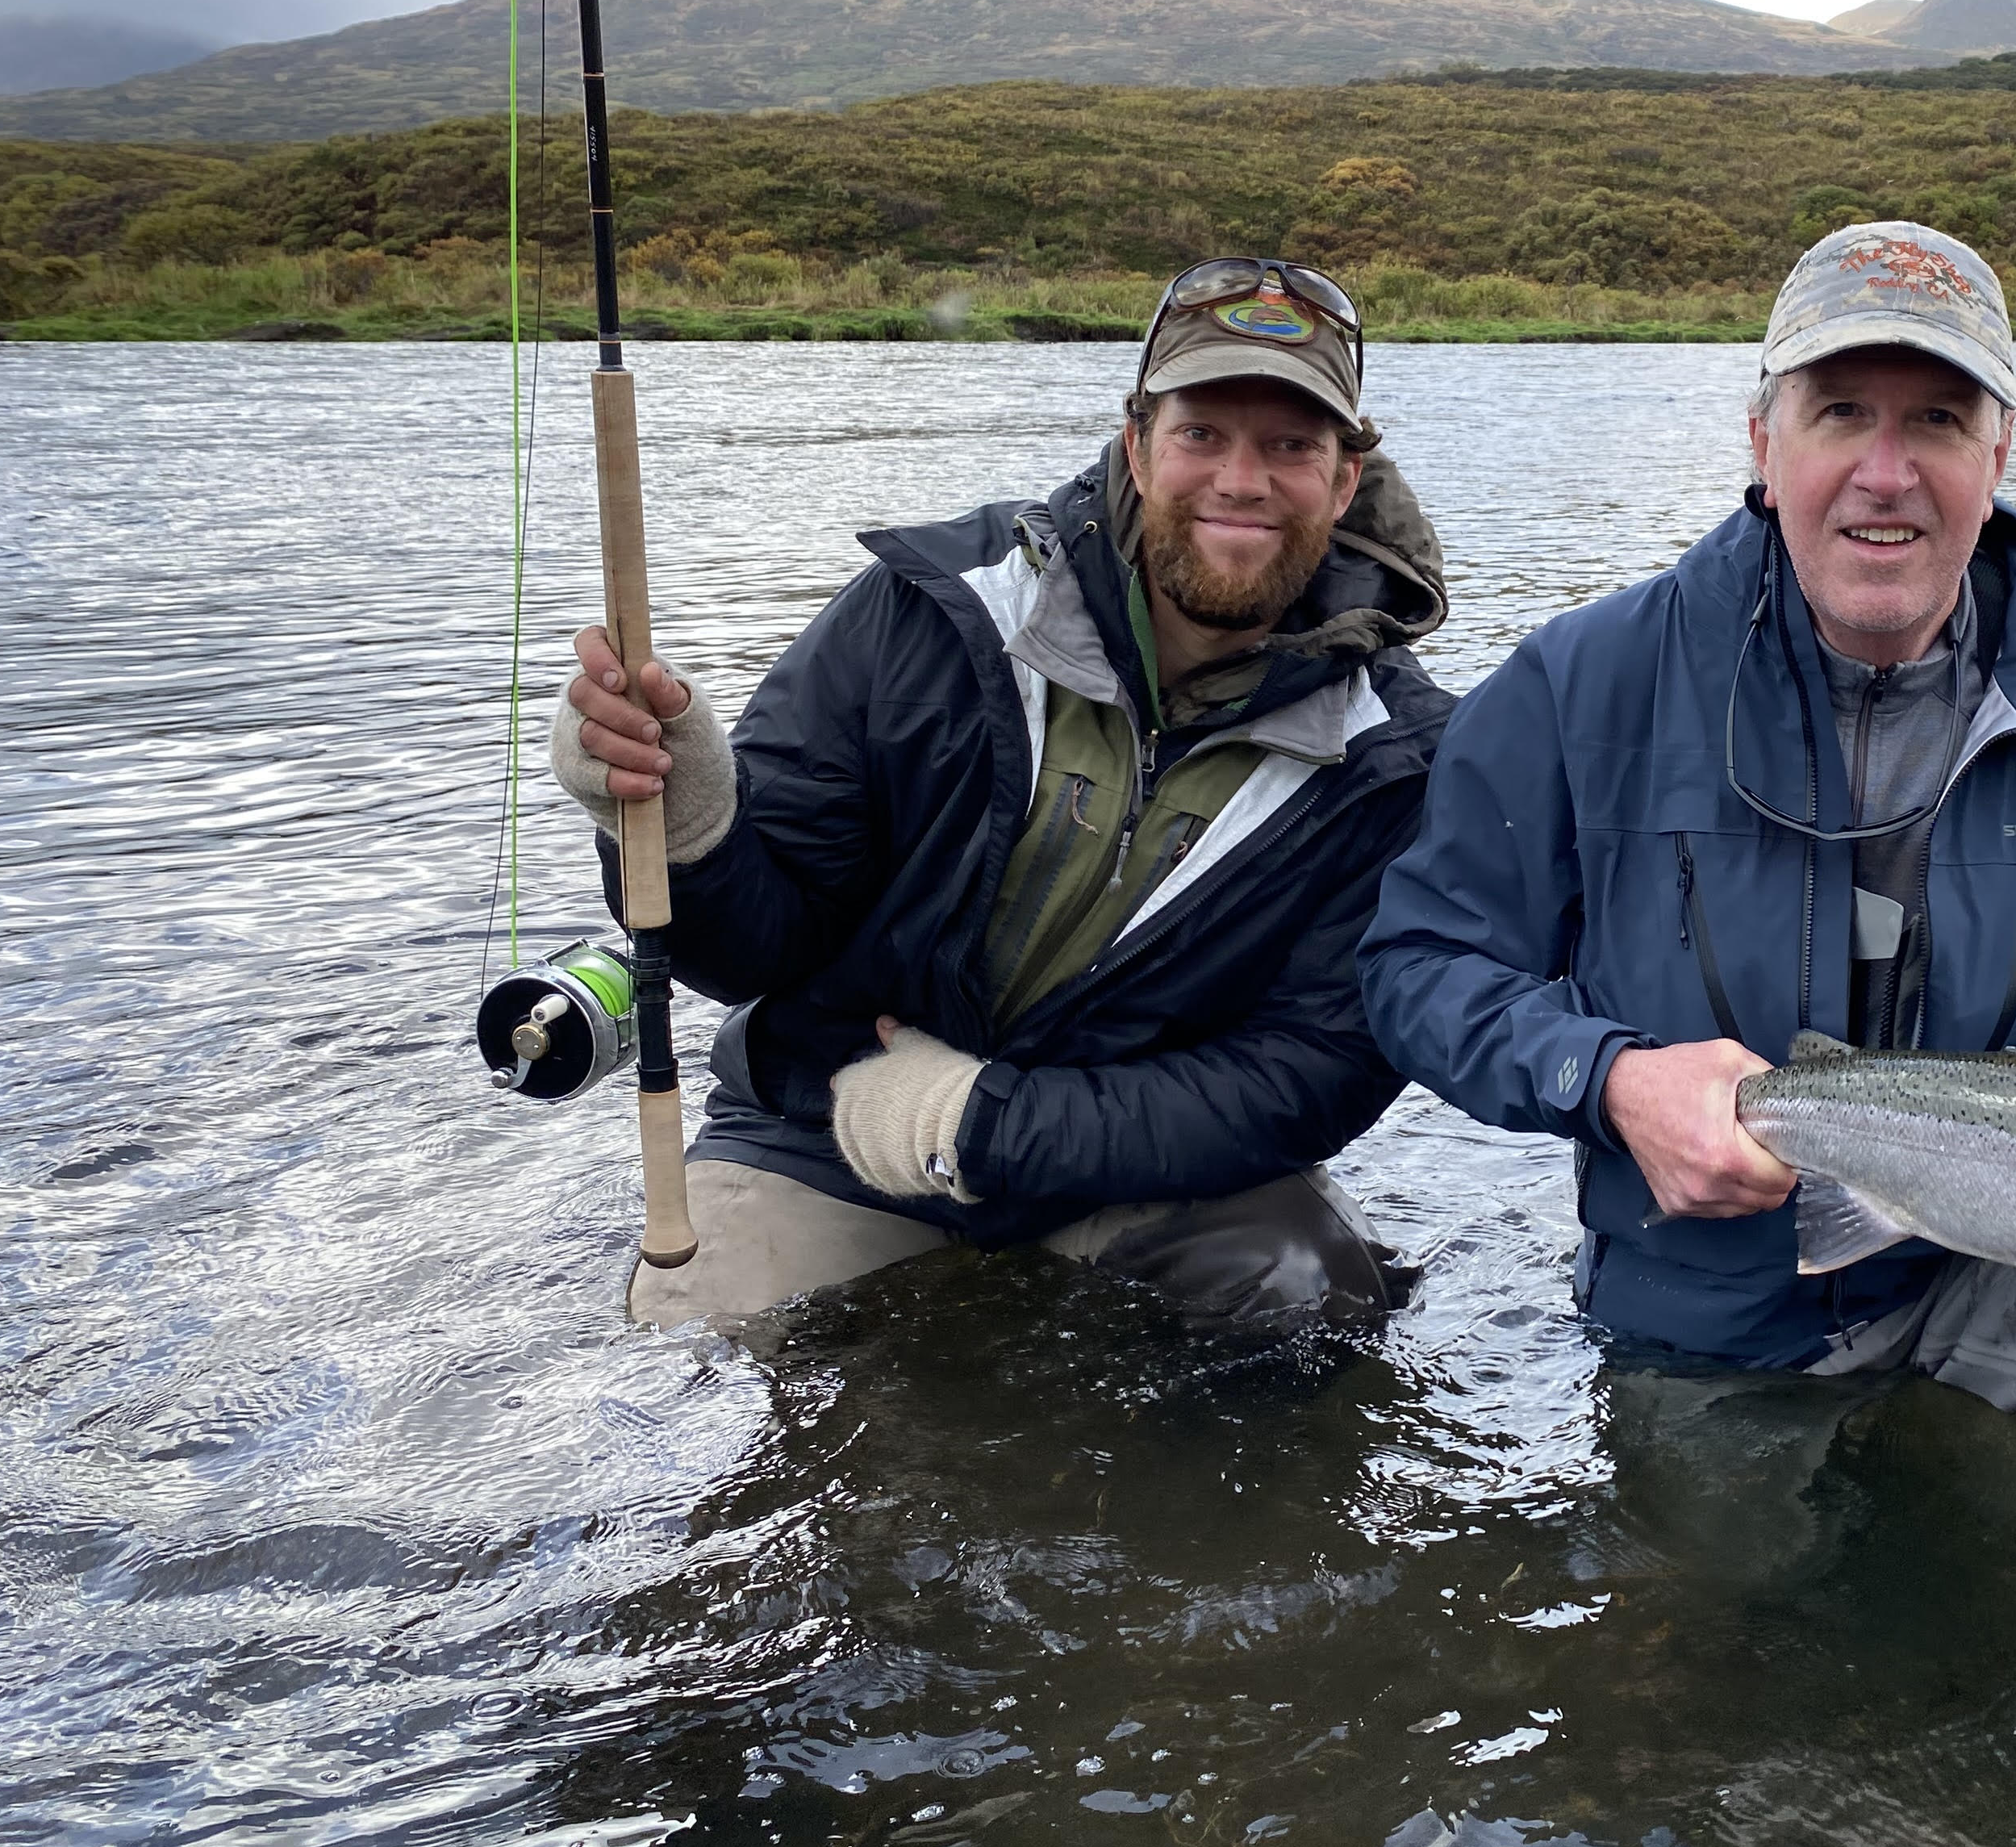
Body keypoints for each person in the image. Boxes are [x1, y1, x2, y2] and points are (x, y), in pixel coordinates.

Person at [1358, 221, 2016, 1561]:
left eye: (1938, 420)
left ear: (2001, 454)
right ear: (1763, 443)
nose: (1885, 473)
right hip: (1714, 1312)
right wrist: (1610, 1080)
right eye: (1841, 411)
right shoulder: (1583, 684)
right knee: (1713, 1679)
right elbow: (1417, 967)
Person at [552, 258, 1452, 1336]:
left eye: (1291, 446)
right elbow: (748, 953)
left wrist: (977, 1122)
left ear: (1345, 481)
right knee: (687, 1340)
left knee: (1311, 1302)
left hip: (1127, 1160)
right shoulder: (929, 615)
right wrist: (685, 823)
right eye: (1202, 434)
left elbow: (1304, 1081)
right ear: (1138, 446)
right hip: (830, 1126)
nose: (1242, 479)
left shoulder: (1396, 757)